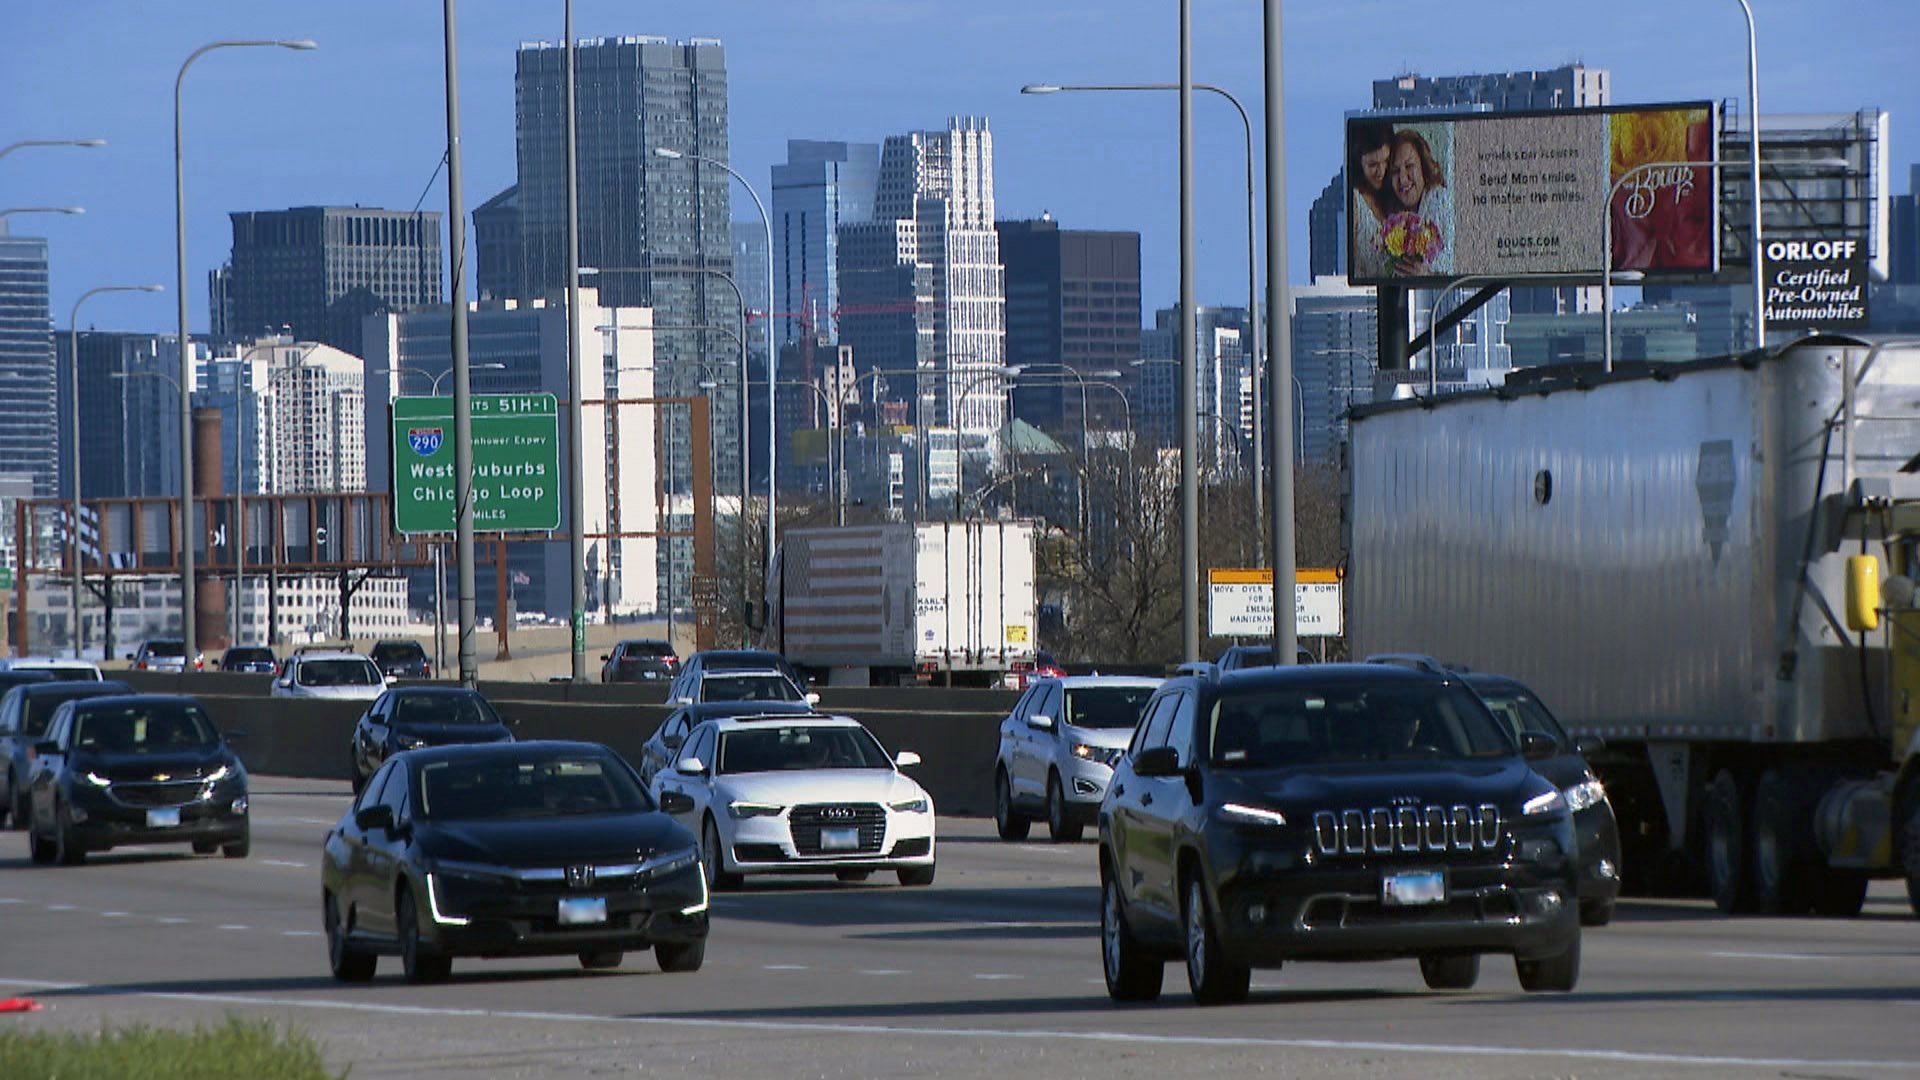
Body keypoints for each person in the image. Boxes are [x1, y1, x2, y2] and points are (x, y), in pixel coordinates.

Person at [1381, 129, 1453, 276]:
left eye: (1409, 166)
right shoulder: (1390, 218)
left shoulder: (1443, 202)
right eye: (1395, 171)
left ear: (1423, 166)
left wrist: (1428, 276)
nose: (1403, 179)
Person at [1348, 122, 1396, 278]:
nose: (1381, 172)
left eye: (1386, 161)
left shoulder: (1396, 191)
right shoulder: (1355, 202)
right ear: (1358, 163)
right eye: (1373, 165)